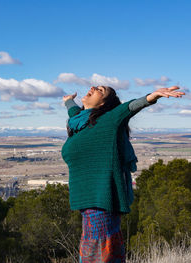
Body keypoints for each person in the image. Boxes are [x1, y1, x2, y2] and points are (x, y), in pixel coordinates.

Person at [61, 86, 185, 263]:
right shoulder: (79, 122)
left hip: (102, 204)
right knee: (92, 255)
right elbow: (74, 112)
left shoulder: (109, 120)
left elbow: (130, 107)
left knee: (99, 256)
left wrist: (153, 96)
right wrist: (68, 101)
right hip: (88, 207)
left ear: (104, 103)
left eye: (100, 90)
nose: (93, 87)